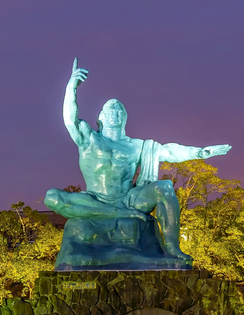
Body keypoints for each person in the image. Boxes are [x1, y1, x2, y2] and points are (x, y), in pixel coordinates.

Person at [43, 59, 231, 265]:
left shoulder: (137, 146)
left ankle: (172, 248)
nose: (115, 114)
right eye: (110, 111)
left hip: (129, 199)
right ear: (101, 117)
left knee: (165, 187)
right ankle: (116, 213)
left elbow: (169, 151)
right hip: (94, 199)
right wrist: (71, 88)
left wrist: (201, 153)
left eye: (119, 112)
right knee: (52, 197)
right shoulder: (90, 138)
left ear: (124, 118)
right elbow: (70, 119)